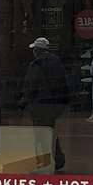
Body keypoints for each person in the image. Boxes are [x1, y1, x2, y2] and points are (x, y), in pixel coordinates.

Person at [23, 37, 72, 171]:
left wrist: (24, 102)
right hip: (55, 105)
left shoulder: (36, 65)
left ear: (37, 50)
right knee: (49, 132)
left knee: (40, 135)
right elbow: (64, 84)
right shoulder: (57, 63)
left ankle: (44, 162)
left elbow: (30, 86)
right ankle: (58, 159)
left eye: (34, 49)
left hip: (39, 105)